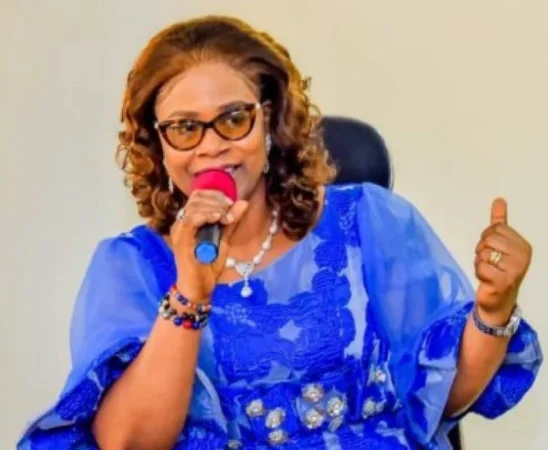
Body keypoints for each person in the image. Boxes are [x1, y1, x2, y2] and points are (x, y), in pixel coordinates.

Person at [18, 15, 542, 450]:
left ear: (269, 121)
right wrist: (190, 293)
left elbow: (444, 399)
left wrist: (493, 310)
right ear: (159, 146)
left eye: (233, 119)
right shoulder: (131, 267)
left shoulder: (369, 222)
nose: (210, 146)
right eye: (184, 127)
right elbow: (128, 444)